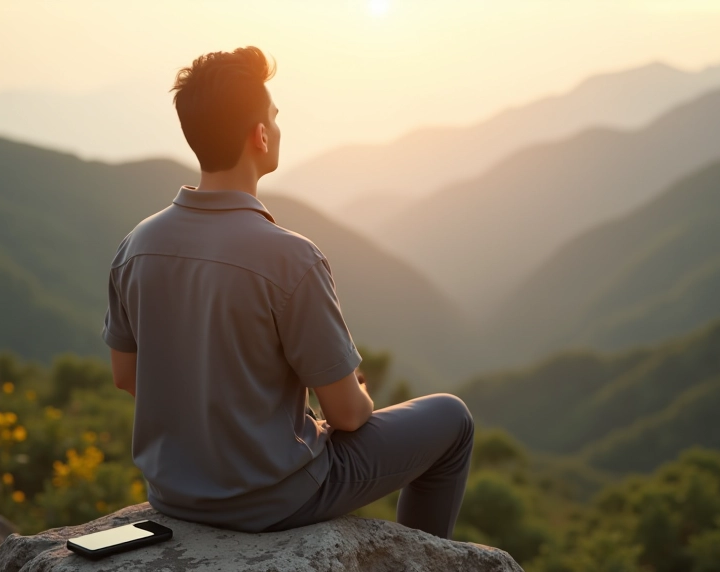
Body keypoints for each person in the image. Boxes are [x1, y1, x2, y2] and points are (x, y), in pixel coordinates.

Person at [101, 46, 474, 539]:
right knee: (453, 418)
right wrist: (357, 392)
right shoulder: (291, 257)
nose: (277, 128)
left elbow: (127, 377)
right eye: (274, 118)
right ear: (259, 135)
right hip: (276, 497)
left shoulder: (136, 246)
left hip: (173, 494)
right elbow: (347, 415)